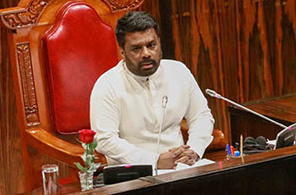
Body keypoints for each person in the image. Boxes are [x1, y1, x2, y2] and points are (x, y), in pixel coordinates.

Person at [90, 11, 214, 169]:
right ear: (122, 52)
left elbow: (201, 116)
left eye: (151, 45)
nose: (146, 54)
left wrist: (194, 149)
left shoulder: (179, 72)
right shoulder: (107, 85)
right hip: (133, 173)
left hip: (182, 168)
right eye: (136, 49)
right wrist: (154, 161)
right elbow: (104, 140)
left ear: (159, 43)